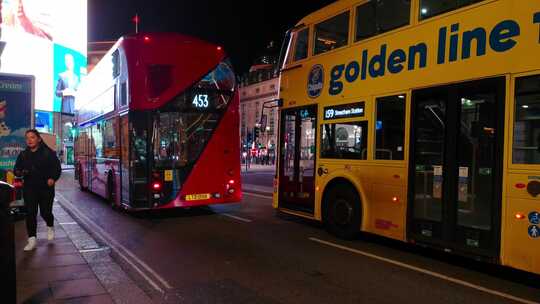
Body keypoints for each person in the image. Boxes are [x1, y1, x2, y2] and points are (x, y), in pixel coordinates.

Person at [14, 129, 61, 251]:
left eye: (32, 137)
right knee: (30, 213)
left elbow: (57, 168)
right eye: (27, 138)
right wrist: (19, 172)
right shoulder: (23, 155)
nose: (29, 140)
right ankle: (32, 239)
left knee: (45, 212)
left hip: (46, 189)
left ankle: (50, 225)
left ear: (39, 139)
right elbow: (16, 169)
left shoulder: (48, 153)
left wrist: (52, 178)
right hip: (29, 188)